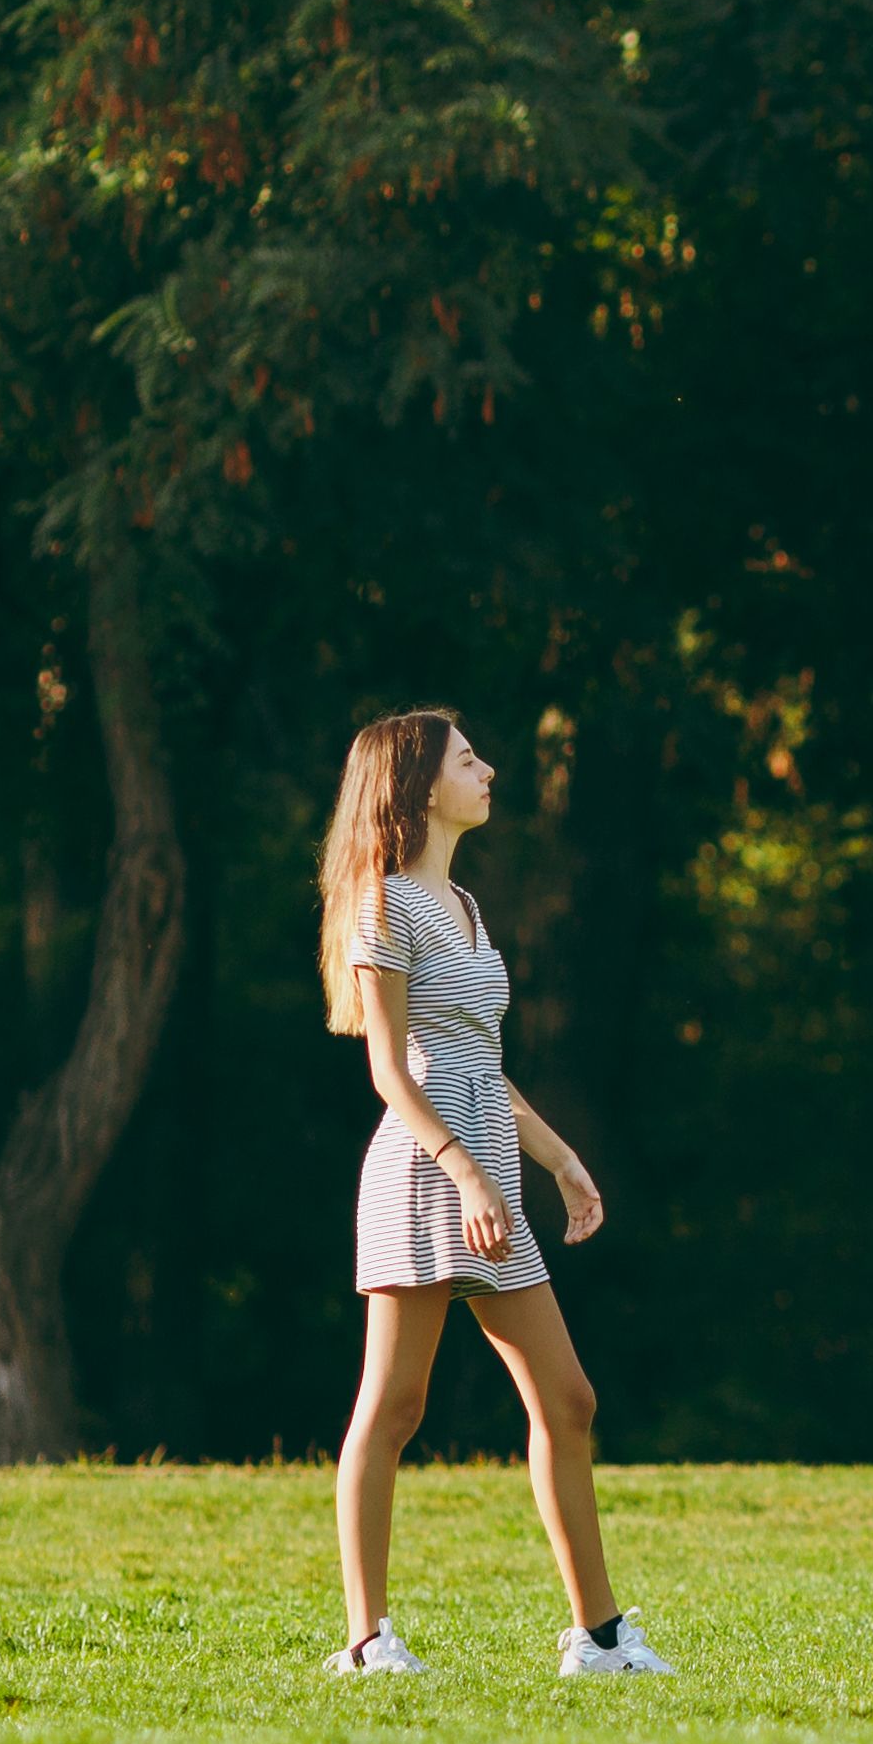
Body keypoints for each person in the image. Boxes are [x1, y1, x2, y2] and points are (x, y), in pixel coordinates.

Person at [313, 706, 674, 1679]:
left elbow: (481, 1065)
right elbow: (392, 1071)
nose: (489, 772)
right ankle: (366, 1641)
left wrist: (558, 1159)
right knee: (394, 1406)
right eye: (469, 760)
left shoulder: (464, 905)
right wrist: (467, 1172)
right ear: (419, 785)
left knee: (568, 1399)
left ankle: (599, 1639)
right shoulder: (383, 903)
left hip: (489, 1174)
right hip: (423, 1174)